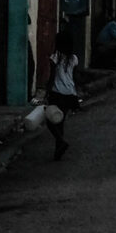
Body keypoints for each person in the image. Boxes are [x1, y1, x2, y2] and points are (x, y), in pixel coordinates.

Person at [44, 29, 81, 161]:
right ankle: (58, 149)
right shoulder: (74, 58)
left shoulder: (55, 57)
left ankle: (60, 141)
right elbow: (75, 77)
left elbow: (52, 77)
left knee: (50, 121)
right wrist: (76, 92)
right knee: (60, 120)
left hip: (57, 93)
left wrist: (46, 92)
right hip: (70, 94)